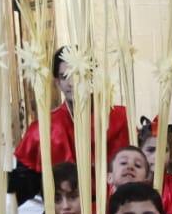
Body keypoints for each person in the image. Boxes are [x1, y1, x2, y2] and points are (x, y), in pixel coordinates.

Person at [8, 47, 132, 200]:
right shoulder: (43, 129)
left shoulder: (120, 118)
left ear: (92, 78)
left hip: (116, 207)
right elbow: (29, 183)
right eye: (65, 76)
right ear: (57, 83)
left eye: (78, 75)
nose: (72, 83)